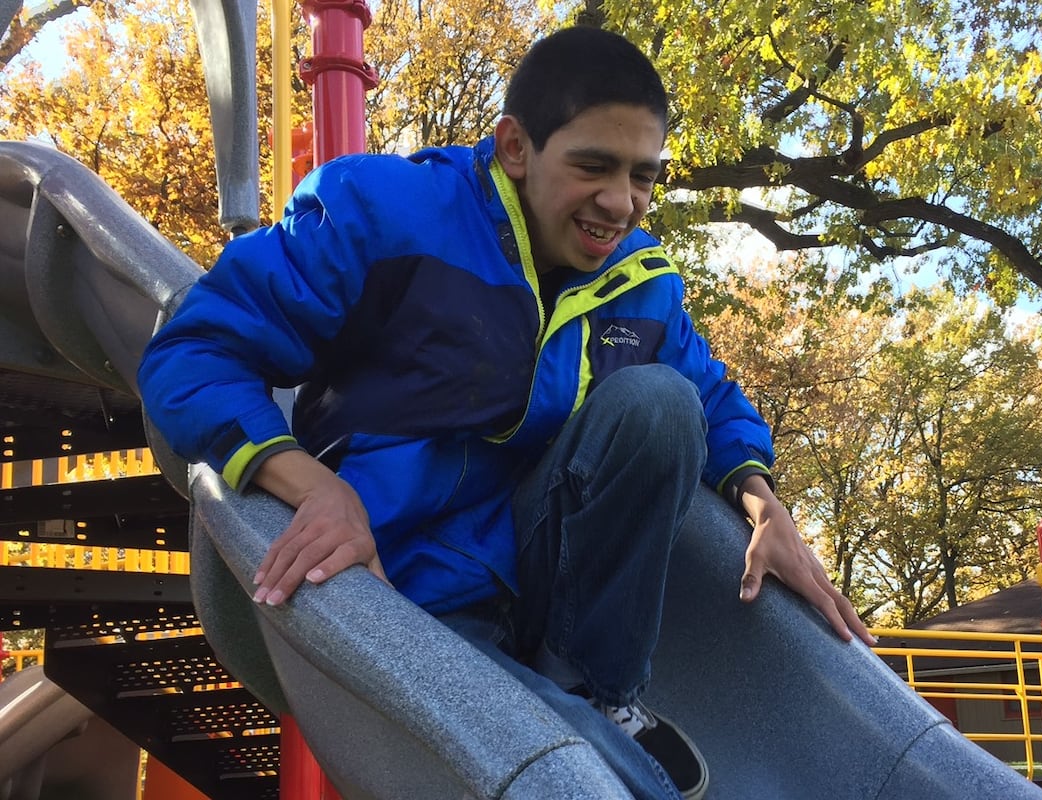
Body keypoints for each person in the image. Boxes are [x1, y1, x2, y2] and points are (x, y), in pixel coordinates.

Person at [138, 26, 872, 800]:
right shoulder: (385, 216)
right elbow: (192, 351)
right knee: (592, 779)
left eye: (642, 176)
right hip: (406, 581)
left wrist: (764, 502)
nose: (620, 202)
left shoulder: (639, 282)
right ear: (515, 147)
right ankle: (583, 736)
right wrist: (314, 487)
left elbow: (712, 400)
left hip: (537, 564)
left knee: (660, 402)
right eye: (593, 166)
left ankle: (591, 687)